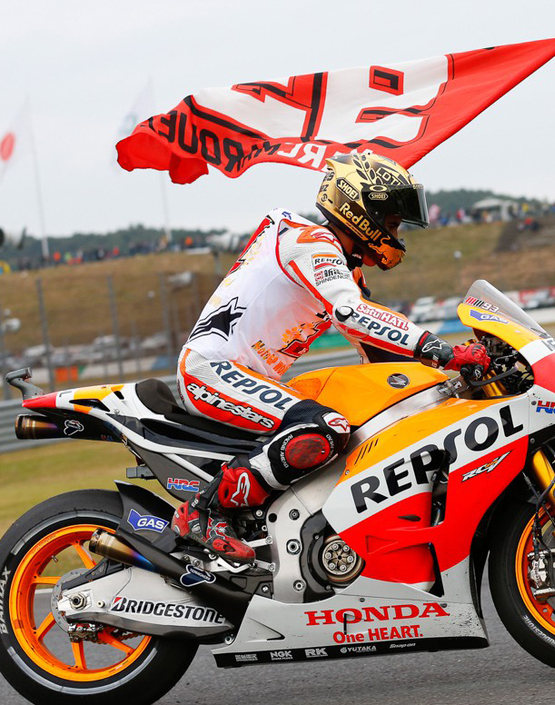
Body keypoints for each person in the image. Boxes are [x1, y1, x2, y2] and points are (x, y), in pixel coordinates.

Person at [171, 151, 489, 563]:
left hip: (246, 375)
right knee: (327, 428)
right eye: (393, 223)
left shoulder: (342, 264)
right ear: (361, 213)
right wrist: (443, 350)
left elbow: (379, 350)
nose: (397, 235)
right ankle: (205, 511)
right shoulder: (312, 245)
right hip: (211, 370)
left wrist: (451, 386)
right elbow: (352, 314)